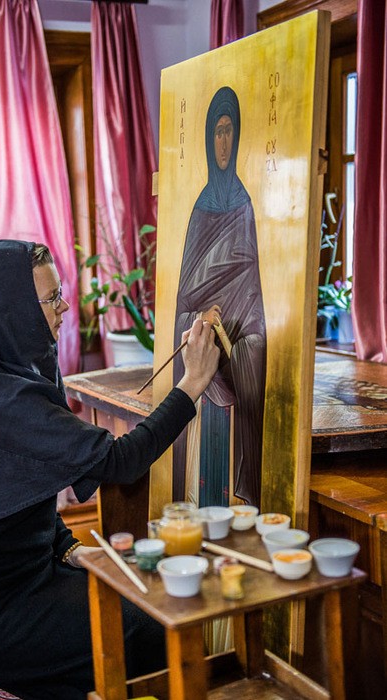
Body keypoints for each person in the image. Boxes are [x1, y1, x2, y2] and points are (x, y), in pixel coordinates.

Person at [0, 239, 219, 700]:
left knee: (122, 611)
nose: (64, 308)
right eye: (51, 298)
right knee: (153, 630)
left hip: (0, 589)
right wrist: (192, 383)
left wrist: (68, 547)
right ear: (15, 311)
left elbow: (15, 492)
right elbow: (120, 461)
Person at [173, 86, 267, 508]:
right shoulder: (200, 208)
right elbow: (184, 297)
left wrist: (243, 334)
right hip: (205, 346)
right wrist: (200, 317)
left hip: (238, 343)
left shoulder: (246, 205)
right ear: (209, 140)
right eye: (217, 132)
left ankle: (244, 502)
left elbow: (253, 290)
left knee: (255, 349)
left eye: (230, 131)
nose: (224, 142)